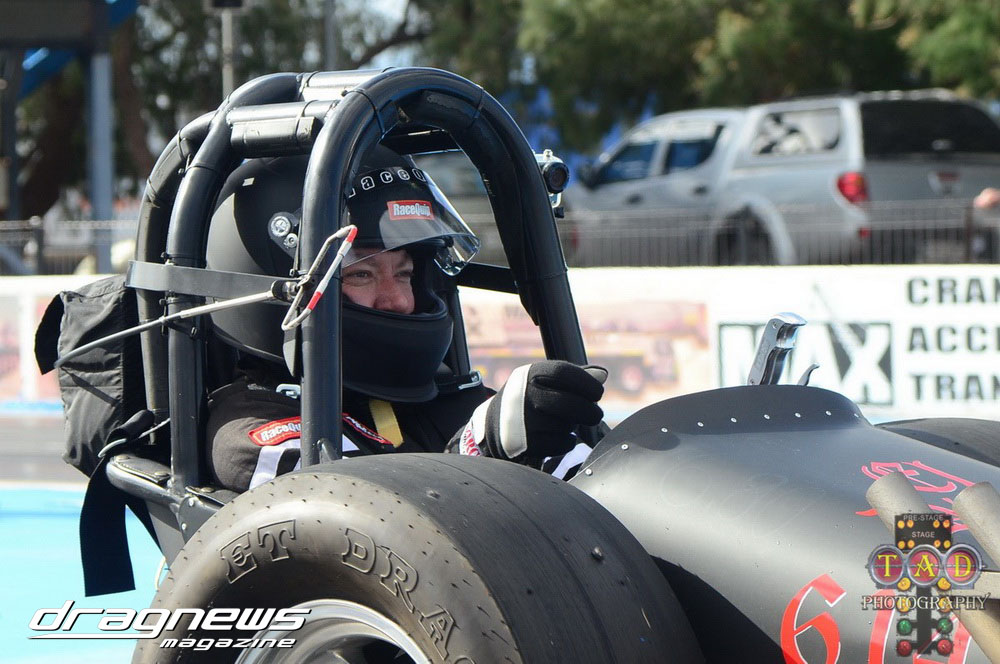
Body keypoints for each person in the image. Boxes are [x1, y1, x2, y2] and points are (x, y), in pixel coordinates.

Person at [204, 147, 605, 492]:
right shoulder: (255, 435)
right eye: (362, 274)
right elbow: (374, 524)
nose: (398, 300)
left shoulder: (444, 399)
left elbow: (603, 497)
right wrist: (478, 450)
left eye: (405, 273)